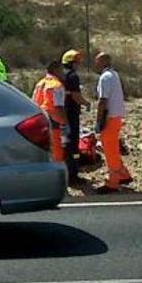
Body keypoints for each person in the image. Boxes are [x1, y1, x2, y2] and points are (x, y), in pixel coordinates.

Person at [94, 52, 132, 194]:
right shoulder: (114, 75)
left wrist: (98, 120)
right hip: (116, 117)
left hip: (109, 117)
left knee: (110, 151)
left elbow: (103, 100)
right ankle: (123, 174)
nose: (95, 64)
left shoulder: (105, 77)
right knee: (113, 148)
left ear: (103, 62)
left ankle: (113, 182)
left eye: (97, 61)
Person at [62, 49, 91, 184]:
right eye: (77, 63)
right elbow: (75, 95)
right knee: (73, 145)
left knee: (65, 144)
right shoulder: (73, 76)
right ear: (72, 63)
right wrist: (86, 103)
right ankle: (73, 175)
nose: (78, 65)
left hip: (62, 113)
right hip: (71, 114)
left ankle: (67, 172)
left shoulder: (60, 75)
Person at [32, 60, 67, 163]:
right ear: (56, 70)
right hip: (54, 122)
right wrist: (65, 124)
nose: (63, 72)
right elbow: (58, 107)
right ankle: (58, 173)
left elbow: (33, 101)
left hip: (39, 121)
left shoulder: (40, 83)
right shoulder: (56, 85)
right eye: (61, 70)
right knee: (57, 150)